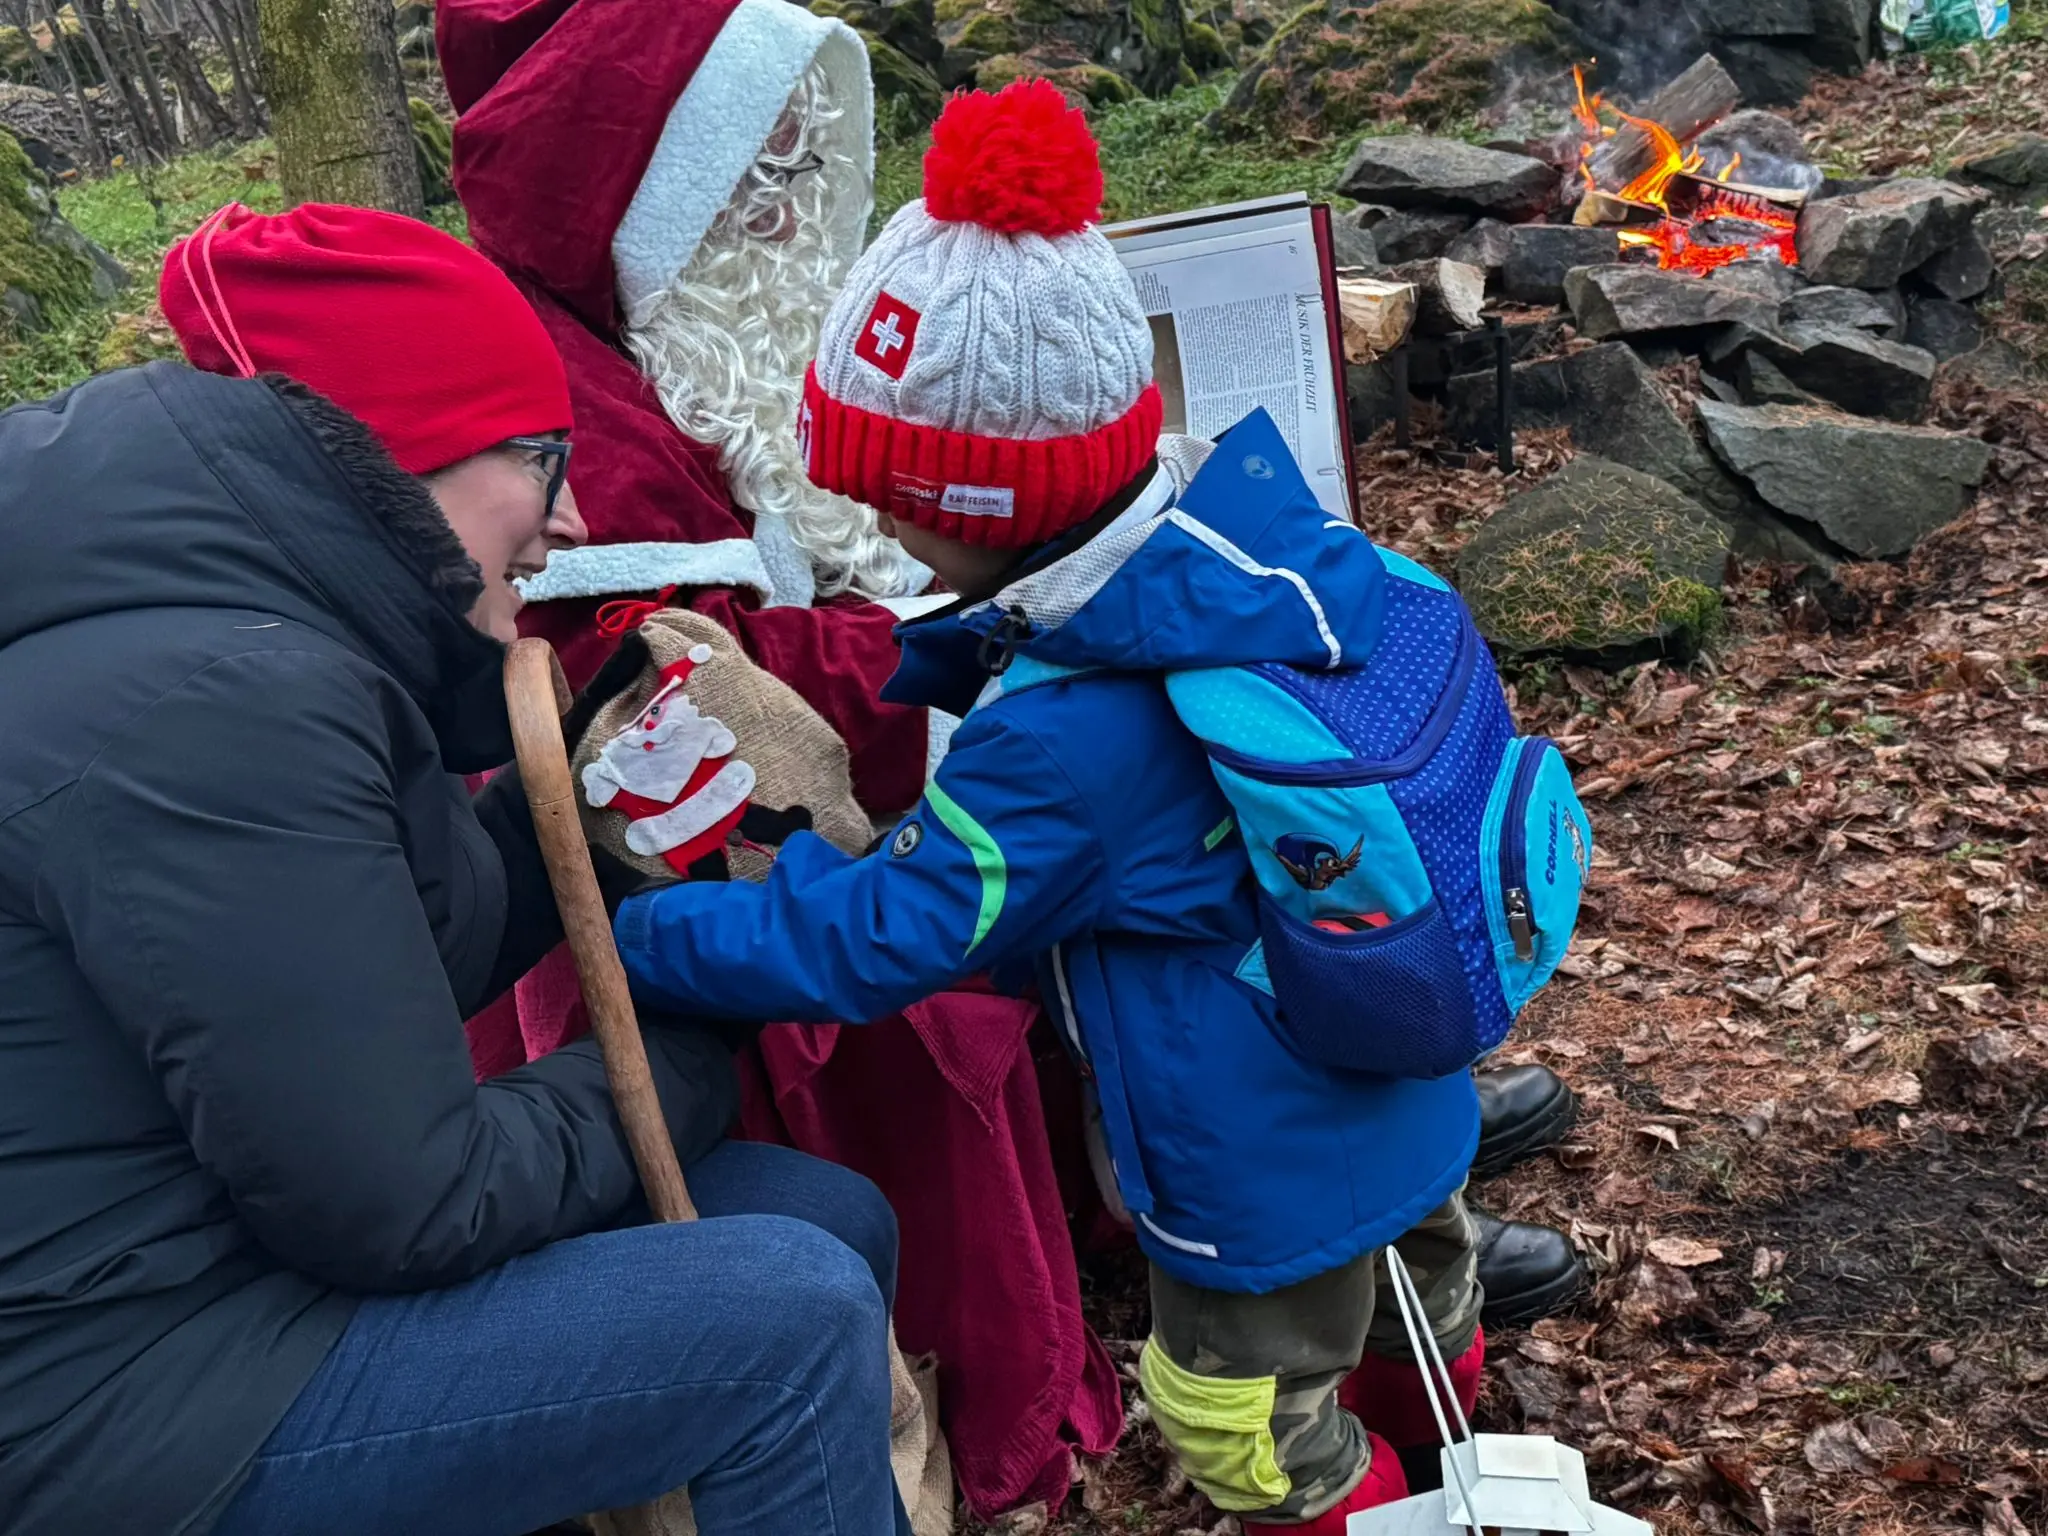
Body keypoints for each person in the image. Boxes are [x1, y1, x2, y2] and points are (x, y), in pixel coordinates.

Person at [610, 80, 1552, 1534]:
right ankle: (1446, 1462)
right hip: (1406, 1080)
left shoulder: (1054, 750)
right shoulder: (1256, 547)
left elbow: (881, 939)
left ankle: (1362, 1511)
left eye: (895, 505)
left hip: (1248, 1155)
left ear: (971, 510)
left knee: (1235, 1418)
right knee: (1408, 1308)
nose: (885, 536)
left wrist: (658, 938)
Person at [0, 202, 902, 1536]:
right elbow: (409, 1206)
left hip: (233, 1269)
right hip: (122, 1393)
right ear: (401, 453)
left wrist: (596, 779)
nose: (569, 515)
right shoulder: (215, 700)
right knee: (779, 1328)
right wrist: (688, 1044)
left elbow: (412, 939)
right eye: (543, 457)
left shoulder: (257, 636)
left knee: (823, 1218)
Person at [439, 0, 1125, 1509]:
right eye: (748, 178)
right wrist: (944, 656)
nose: (790, 219)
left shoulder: (688, 349)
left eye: (803, 168)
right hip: (722, 884)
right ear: (640, 203)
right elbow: (658, 684)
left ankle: (1221, 1232)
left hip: (880, 809)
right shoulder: (566, 419)